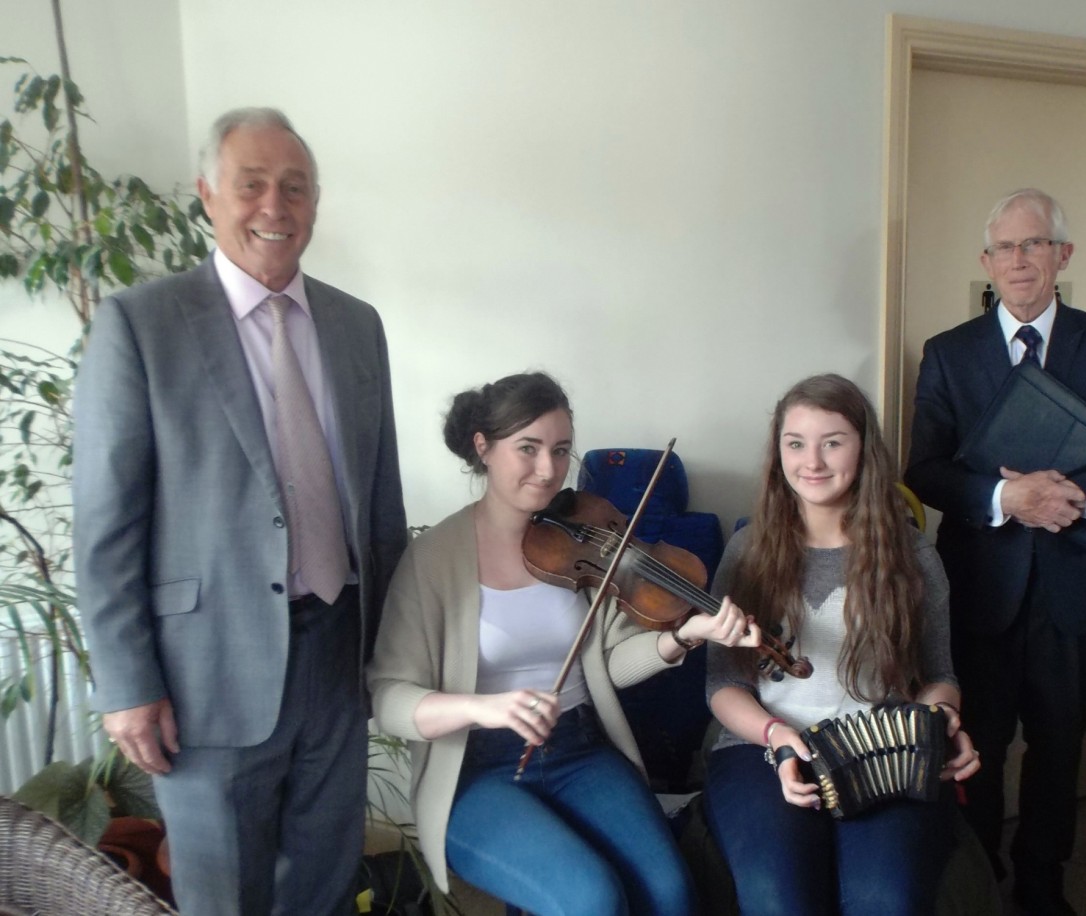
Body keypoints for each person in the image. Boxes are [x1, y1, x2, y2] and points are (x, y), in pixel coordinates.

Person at [72, 107, 406, 916]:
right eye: (251, 184)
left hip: (337, 654)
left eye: (295, 187)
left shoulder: (357, 326)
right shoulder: (141, 324)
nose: (274, 206)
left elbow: (381, 500)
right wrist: (126, 685)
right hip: (203, 675)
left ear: (316, 203)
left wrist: (393, 651)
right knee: (225, 896)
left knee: (324, 885)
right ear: (207, 196)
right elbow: (105, 524)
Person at [367, 371, 760, 916]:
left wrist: (681, 637)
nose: (549, 470)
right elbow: (389, 698)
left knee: (671, 893)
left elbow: (609, 668)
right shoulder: (434, 558)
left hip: (580, 751)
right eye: (527, 449)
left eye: (560, 450)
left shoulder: (581, 540)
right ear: (483, 447)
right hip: (478, 770)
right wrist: (484, 708)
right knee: (591, 898)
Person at [905, 189, 1086, 915]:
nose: (1018, 260)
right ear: (986, 262)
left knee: (1060, 752)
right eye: (1004, 247)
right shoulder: (948, 353)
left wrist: (1075, 498)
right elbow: (924, 470)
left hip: (1076, 590)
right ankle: (976, 883)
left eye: (1033, 244)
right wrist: (1005, 500)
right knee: (978, 749)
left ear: (1063, 255)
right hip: (979, 593)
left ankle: (1042, 887)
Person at [703, 374, 979, 916]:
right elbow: (723, 684)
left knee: (887, 901)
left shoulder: (913, 555)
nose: (813, 461)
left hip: (882, 751)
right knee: (779, 900)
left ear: (863, 448)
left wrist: (940, 721)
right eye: (795, 442)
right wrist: (778, 735)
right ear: (778, 450)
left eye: (833, 441)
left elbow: (938, 674)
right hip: (760, 749)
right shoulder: (748, 550)